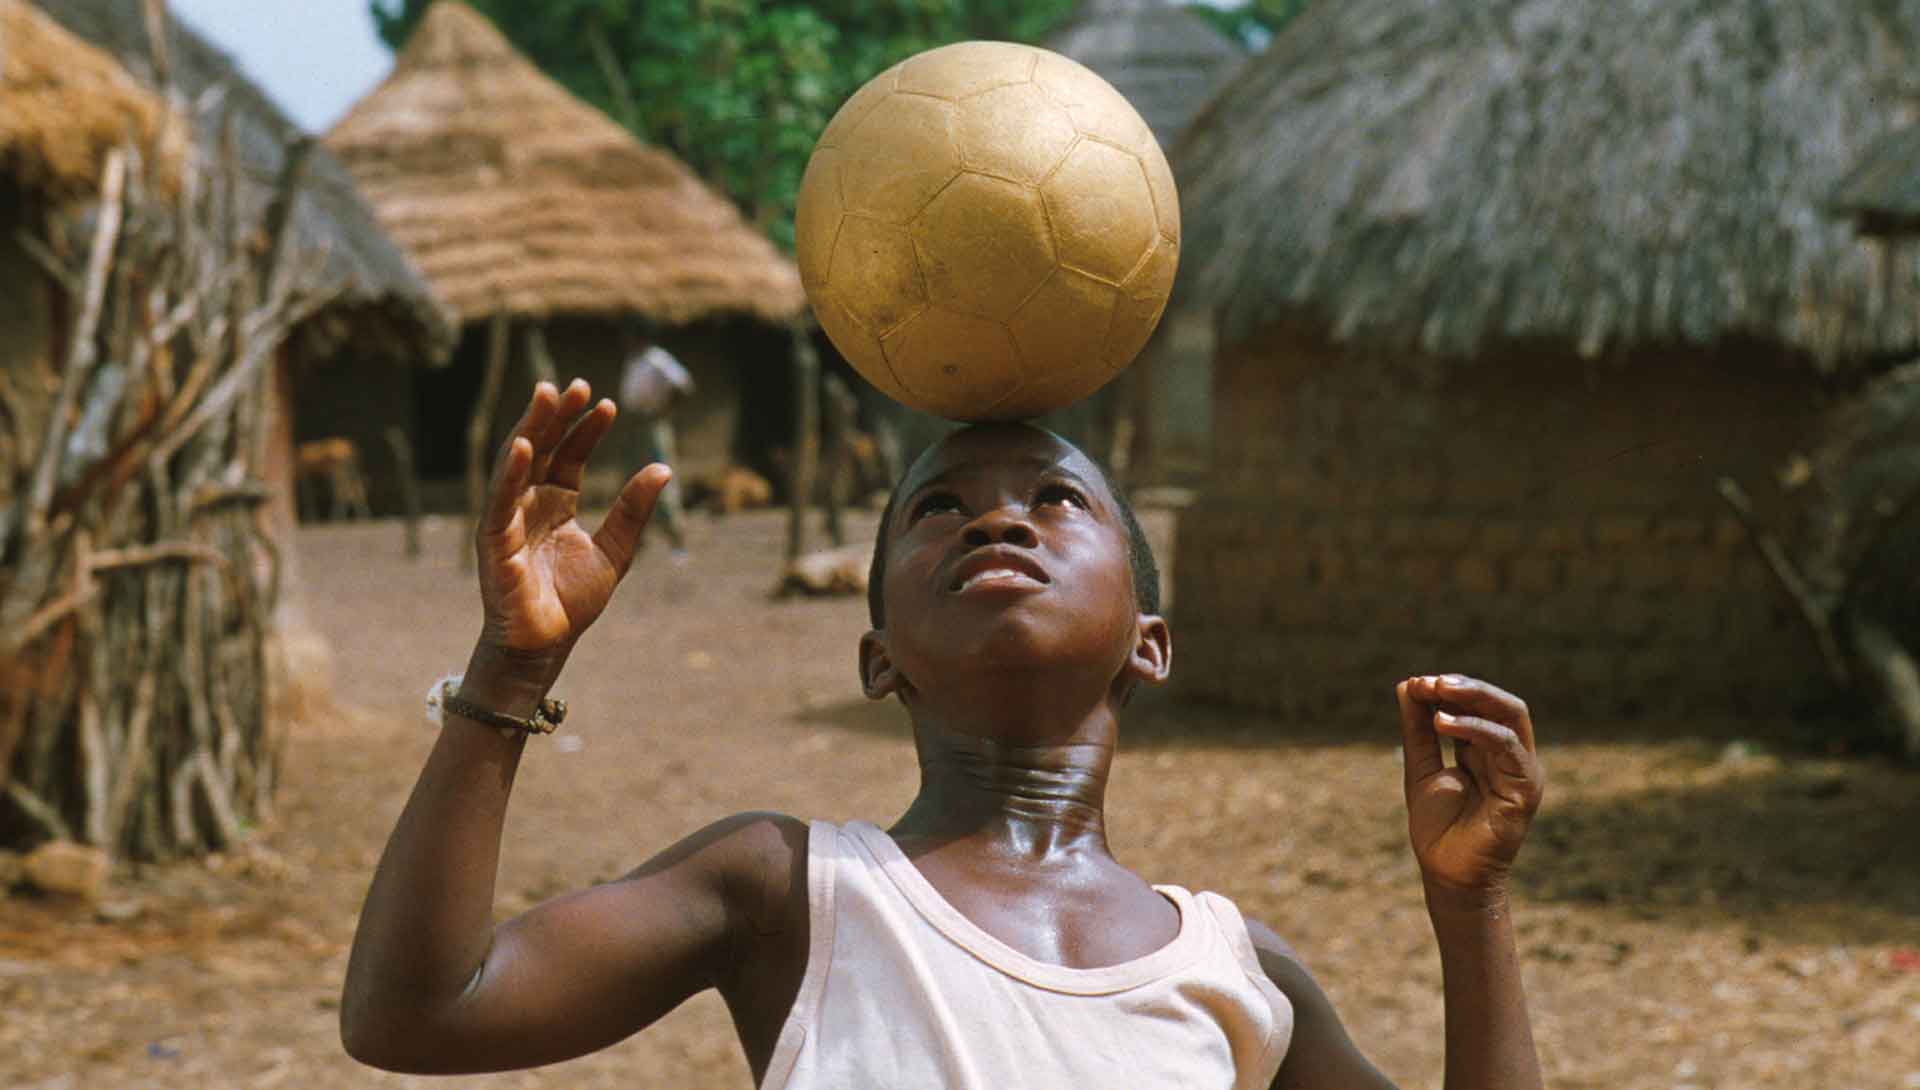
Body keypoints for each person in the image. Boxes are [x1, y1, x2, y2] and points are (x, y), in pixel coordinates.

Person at [340, 378, 1549, 1089]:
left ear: (1151, 639)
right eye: (939, 509)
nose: (996, 523)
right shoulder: (791, 889)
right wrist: (513, 668)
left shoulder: (1233, 971)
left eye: (1055, 499)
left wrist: (1472, 904)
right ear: (881, 661)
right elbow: (418, 1011)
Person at [617, 333, 695, 558]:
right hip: (635, 424)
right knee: (632, 482)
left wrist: (664, 410)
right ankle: (636, 539)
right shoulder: (633, 360)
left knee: (660, 480)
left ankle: (677, 539)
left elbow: (683, 385)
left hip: (652, 424)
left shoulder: (657, 360)